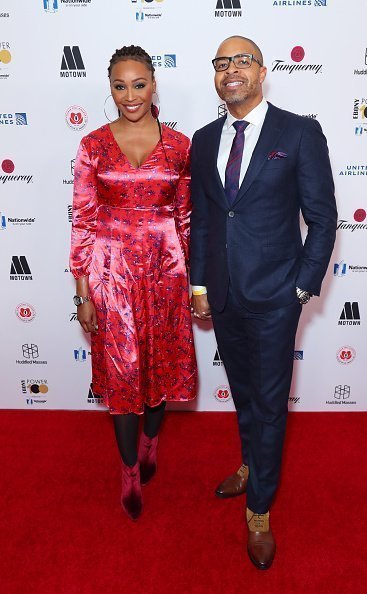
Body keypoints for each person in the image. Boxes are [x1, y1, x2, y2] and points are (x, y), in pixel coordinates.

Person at [190, 36, 337, 569]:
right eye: (222, 63)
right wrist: (200, 287)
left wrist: (301, 287)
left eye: (242, 61)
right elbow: (206, 219)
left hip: (277, 297)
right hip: (224, 295)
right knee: (246, 395)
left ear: (263, 70)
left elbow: (322, 218)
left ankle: (259, 512)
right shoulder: (205, 140)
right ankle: (253, 464)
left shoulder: (298, 131)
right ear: (215, 75)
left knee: (271, 405)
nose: (232, 71)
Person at [70, 45, 197, 521]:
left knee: (160, 374)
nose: (130, 95)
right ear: (110, 87)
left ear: (153, 83)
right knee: (123, 378)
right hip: (111, 275)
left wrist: (194, 285)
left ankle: (150, 446)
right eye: (120, 86)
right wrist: (83, 292)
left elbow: (186, 220)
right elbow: (82, 222)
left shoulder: (181, 145)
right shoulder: (92, 145)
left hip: (166, 275)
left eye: (138, 84)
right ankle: (128, 473)